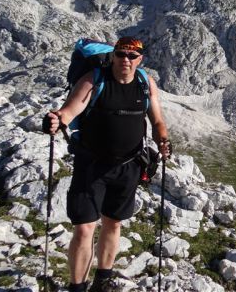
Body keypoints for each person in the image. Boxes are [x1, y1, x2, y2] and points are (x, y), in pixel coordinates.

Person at [43, 37, 171, 292]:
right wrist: (57, 120)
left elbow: (156, 121)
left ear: (140, 59)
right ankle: (77, 287)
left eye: (132, 56)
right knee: (84, 227)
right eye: (121, 54)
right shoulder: (94, 79)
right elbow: (70, 110)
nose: (126, 60)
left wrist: (164, 140)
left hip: (129, 166)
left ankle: (103, 280)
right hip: (91, 165)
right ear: (113, 55)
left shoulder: (145, 83)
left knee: (113, 223)